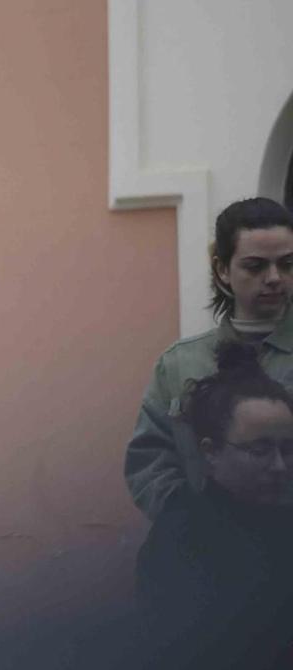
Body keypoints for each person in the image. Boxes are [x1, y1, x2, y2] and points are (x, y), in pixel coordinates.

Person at [125, 196, 293, 518]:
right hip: (208, 554)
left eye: (287, 264)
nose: (274, 277)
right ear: (222, 270)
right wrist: (191, 522)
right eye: (256, 265)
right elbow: (149, 461)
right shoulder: (179, 364)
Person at [135, 342, 293, 611]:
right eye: (260, 450)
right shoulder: (180, 542)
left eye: (288, 449)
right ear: (210, 451)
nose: (280, 466)